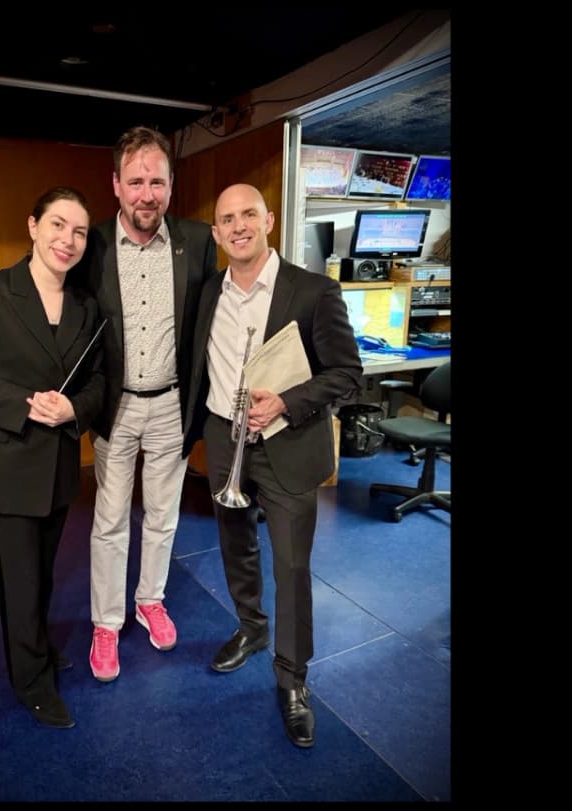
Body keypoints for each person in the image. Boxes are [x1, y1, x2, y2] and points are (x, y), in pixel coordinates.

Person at [186, 183, 363, 748]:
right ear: (216, 233)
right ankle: (251, 628)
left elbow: (348, 374)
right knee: (235, 545)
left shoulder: (313, 291)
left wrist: (286, 401)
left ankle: (292, 678)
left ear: (267, 221)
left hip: (288, 442)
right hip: (224, 437)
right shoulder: (207, 292)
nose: (238, 226)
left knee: (290, 566)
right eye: (227, 219)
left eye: (248, 215)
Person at [0, 187, 106, 729]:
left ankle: (35, 649)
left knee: (43, 574)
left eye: (79, 232)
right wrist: (24, 405)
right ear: (33, 226)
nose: (67, 240)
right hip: (5, 464)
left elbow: (99, 381)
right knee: (21, 578)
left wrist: (73, 408)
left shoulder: (87, 306)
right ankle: (31, 682)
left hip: (57, 464)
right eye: (57, 225)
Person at [76, 126, 217, 682]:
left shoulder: (197, 241)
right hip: (115, 407)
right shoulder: (92, 244)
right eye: (135, 182)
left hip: (172, 406)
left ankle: (149, 600)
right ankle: (106, 623)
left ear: (171, 185)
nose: (147, 194)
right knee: (110, 520)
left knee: (162, 516)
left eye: (157, 182)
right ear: (115, 185)